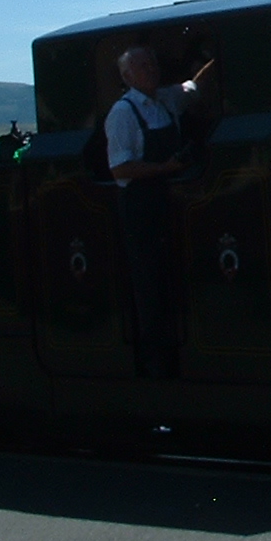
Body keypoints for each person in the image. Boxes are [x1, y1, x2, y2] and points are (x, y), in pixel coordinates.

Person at [105, 45, 214, 378]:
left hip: (170, 201)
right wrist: (165, 167)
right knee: (150, 283)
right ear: (126, 76)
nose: (150, 68)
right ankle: (155, 363)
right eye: (141, 65)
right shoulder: (123, 113)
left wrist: (215, 61)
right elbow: (120, 168)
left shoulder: (166, 99)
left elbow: (193, 87)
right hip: (141, 206)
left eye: (151, 62)